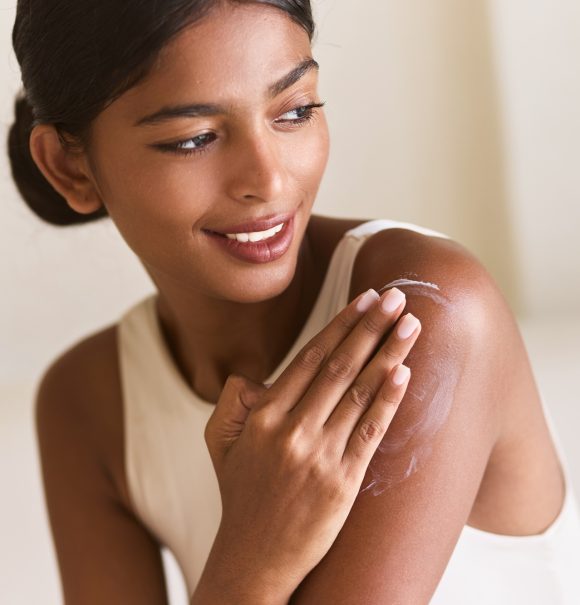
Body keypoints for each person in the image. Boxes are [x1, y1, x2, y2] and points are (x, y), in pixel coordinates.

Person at [8, 1, 580, 603]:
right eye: (194, 139)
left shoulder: (424, 317)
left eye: (296, 110)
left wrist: (251, 563)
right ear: (70, 167)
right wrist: (253, 554)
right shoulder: (89, 404)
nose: (270, 179)